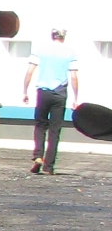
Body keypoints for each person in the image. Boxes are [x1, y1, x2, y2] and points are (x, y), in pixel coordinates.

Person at [26, 27, 79, 174]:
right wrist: (76, 98)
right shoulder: (70, 53)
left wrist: (25, 91)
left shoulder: (41, 50)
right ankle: (49, 166)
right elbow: (74, 77)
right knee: (55, 130)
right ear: (64, 37)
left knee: (40, 125)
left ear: (52, 36)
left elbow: (30, 71)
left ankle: (37, 156)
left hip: (43, 92)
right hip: (60, 92)